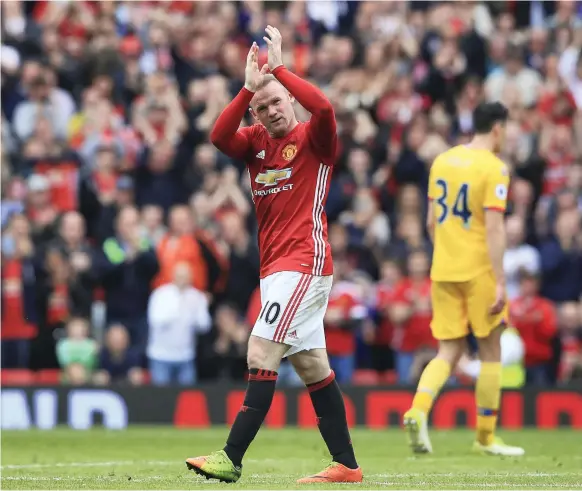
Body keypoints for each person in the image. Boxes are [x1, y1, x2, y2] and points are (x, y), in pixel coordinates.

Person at [185, 26, 362, 484]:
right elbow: (219, 137)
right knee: (311, 366)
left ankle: (231, 457)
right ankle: (346, 465)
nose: (270, 112)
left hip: (304, 262)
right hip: (279, 269)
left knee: (261, 349)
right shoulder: (256, 145)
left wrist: (279, 67)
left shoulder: (315, 138)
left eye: (276, 102)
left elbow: (323, 105)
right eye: (260, 109)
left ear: (290, 100)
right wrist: (246, 88)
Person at [402, 102, 525, 457]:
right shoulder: (495, 169)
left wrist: (445, 254)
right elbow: (495, 228)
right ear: (498, 129)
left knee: (449, 350)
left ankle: (418, 410)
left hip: (443, 267)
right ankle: (486, 437)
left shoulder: (443, 161)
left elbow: (429, 222)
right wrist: (500, 281)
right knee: (490, 350)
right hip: (478, 271)